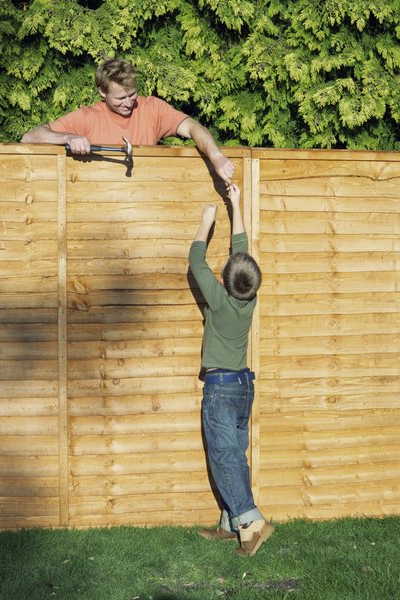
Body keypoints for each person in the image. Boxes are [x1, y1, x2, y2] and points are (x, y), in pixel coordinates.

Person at [188, 184, 274, 557]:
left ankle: (250, 520)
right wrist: (236, 202)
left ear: (223, 280)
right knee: (233, 453)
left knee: (224, 455)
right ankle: (230, 521)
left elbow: (195, 262)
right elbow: (241, 252)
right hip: (243, 387)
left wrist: (207, 222)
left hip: (221, 389)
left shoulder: (220, 300)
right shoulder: (247, 298)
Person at [21, 57, 235, 185]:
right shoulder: (87, 116)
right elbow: (29, 137)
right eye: (121, 98)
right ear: (102, 92)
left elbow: (193, 127)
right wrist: (69, 137)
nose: (129, 103)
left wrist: (217, 157)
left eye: (132, 95)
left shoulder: (152, 108)